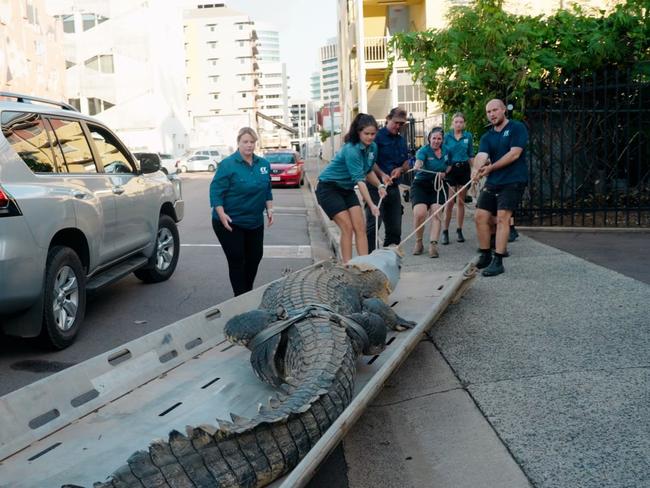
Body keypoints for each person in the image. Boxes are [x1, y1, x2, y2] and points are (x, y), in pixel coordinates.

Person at [209, 127, 273, 296]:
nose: (249, 145)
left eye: (252, 142)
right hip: (229, 221)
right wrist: (221, 214)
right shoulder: (228, 164)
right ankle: (241, 298)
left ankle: (247, 292)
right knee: (237, 258)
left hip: (254, 221)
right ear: (238, 143)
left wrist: (270, 209)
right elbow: (216, 191)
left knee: (255, 257)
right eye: (245, 142)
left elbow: (267, 189)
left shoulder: (263, 165)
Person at [316, 113, 387, 263]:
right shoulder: (351, 150)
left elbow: (367, 171)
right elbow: (360, 181)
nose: (370, 137)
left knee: (360, 227)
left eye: (373, 134)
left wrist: (379, 185)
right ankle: (347, 266)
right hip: (328, 188)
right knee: (347, 227)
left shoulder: (373, 147)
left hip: (346, 189)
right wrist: (372, 204)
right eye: (366, 134)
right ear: (358, 132)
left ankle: (364, 266)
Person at [472, 99, 529, 276]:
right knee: (480, 217)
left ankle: (498, 260)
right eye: (488, 112)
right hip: (493, 182)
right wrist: (475, 170)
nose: (492, 114)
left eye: (495, 110)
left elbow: (514, 154)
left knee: (503, 217)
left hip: (513, 180)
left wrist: (490, 167)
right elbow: (481, 155)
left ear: (503, 110)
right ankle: (485, 254)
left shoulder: (517, 128)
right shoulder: (487, 136)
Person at [366, 107, 410, 252]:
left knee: (395, 229)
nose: (398, 126)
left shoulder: (401, 140)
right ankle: (370, 260)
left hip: (393, 188)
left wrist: (401, 169)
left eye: (401, 124)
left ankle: (388, 258)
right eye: (396, 122)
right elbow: (370, 162)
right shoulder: (376, 138)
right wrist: (382, 174)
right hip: (375, 187)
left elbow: (406, 162)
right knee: (373, 225)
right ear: (388, 119)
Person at [411, 127, 451, 258]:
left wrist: (445, 173)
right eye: (434, 138)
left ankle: (433, 244)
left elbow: (449, 165)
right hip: (421, 185)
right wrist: (418, 164)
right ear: (429, 139)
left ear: (442, 140)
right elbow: (419, 160)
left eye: (439, 138)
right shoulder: (423, 151)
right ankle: (419, 242)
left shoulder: (446, 151)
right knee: (420, 213)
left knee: (436, 213)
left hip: (438, 185)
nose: (436, 141)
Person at [442, 112, 474, 245]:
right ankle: (445, 231)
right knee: (450, 202)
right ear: (452, 123)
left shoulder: (468, 136)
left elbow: (470, 154)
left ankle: (459, 230)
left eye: (461, 122)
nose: (459, 124)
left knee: (461, 201)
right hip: (451, 169)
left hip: (464, 169)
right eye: (456, 122)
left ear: (464, 123)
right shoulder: (447, 137)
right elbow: (442, 153)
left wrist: (475, 171)